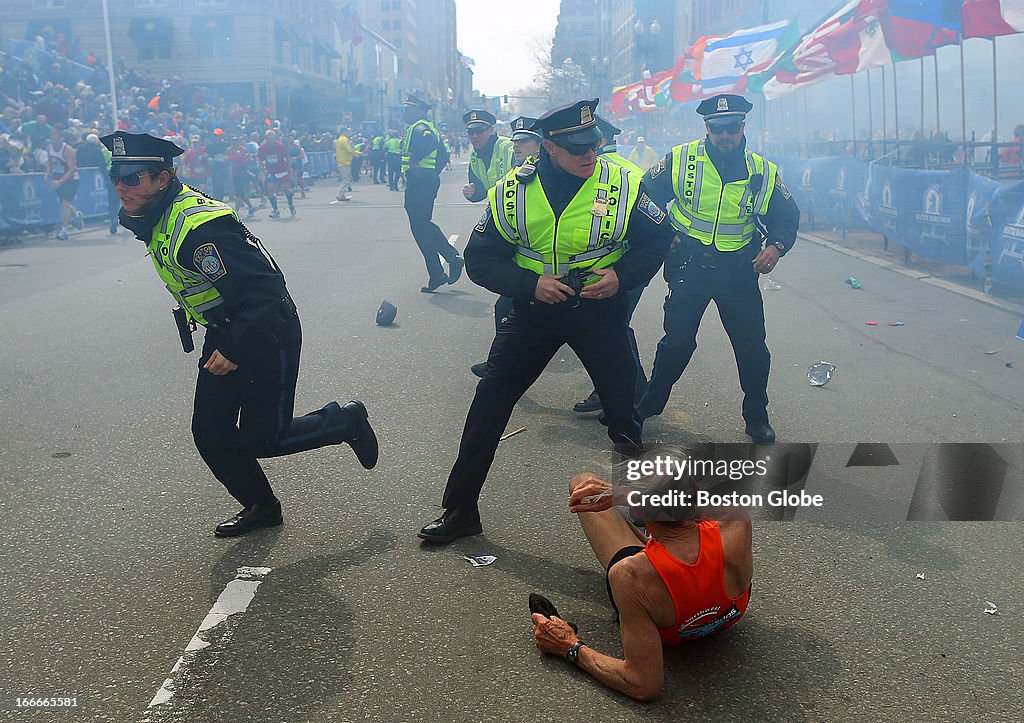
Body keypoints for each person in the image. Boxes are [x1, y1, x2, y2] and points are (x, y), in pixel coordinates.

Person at [417, 99, 674, 543]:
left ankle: (642, 509)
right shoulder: (512, 190)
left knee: (623, 417)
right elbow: (480, 260)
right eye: (577, 148)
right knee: (488, 406)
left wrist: (623, 278)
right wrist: (528, 284)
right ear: (549, 147)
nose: (590, 154)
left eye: (593, 144)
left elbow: (658, 237)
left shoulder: (623, 182)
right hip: (534, 313)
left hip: (599, 312)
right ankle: (460, 510)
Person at [99, 131, 379, 537]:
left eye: (133, 178)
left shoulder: (199, 226)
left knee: (264, 439)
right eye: (116, 178)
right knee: (210, 430)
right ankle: (262, 507)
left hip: (265, 330)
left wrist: (233, 346)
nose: (122, 187)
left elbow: (266, 290)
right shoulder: (157, 211)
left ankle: (344, 422)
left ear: (162, 179)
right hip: (228, 327)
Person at [635, 94, 800, 444]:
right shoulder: (680, 160)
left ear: (742, 127)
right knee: (677, 343)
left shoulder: (762, 171)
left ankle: (756, 416)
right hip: (689, 267)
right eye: (718, 129)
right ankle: (650, 404)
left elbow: (787, 217)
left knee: (752, 347)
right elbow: (645, 194)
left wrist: (776, 247)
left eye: (732, 128)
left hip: (738, 271)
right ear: (707, 128)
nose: (725, 135)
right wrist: (664, 232)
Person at [530, 444, 753, 701]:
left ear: (637, 509)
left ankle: (652, 539)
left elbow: (643, 684)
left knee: (580, 483)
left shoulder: (630, 576)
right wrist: (631, 495)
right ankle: (656, 535)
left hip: (669, 624)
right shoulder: (735, 518)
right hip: (729, 613)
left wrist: (569, 646)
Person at [572, 115, 649, 415]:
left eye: (586, 143)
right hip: (629, 265)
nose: (582, 152)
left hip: (619, 267)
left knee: (612, 328)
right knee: (613, 327)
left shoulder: (610, 174)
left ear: (599, 142)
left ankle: (628, 394)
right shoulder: (632, 169)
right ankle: (625, 390)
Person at [470, 115, 542, 379]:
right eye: (516, 141)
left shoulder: (543, 173)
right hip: (527, 263)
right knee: (507, 309)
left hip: (555, 265)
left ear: (540, 144)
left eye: (525, 141)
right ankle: (500, 366)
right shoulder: (518, 174)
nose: (517, 146)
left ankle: (629, 392)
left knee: (594, 339)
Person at [401, 95, 463, 292]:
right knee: (422, 226)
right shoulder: (423, 127)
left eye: (409, 109)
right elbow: (443, 154)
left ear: (419, 110)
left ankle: (448, 262)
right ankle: (438, 271)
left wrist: (417, 167)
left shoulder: (421, 127)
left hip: (420, 182)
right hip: (422, 180)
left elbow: (429, 144)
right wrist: (429, 173)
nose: (405, 112)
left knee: (420, 226)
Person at [462, 109, 514, 203]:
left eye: (479, 131)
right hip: (498, 206)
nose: (475, 136)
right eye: (470, 132)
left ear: (491, 131)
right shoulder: (474, 156)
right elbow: (481, 190)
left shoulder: (510, 148)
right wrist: (472, 192)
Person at [47, 128, 82, 241]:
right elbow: (49, 161)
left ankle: (64, 230)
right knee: (63, 203)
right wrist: (48, 172)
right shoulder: (49, 148)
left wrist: (61, 181)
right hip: (58, 177)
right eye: (52, 139)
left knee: (66, 203)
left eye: (56, 139)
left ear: (61, 139)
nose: (54, 141)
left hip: (71, 179)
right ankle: (76, 216)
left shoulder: (68, 150)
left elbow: (71, 169)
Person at [227, 135, 256, 219]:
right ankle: (251, 207)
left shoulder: (243, 149)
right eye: (233, 141)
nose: (235, 142)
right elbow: (227, 159)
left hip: (242, 172)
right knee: (241, 193)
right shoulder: (229, 150)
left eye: (236, 140)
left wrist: (243, 163)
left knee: (238, 192)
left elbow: (248, 159)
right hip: (234, 173)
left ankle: (236, 211)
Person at [334, 127, 354, 202]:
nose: (349, 133)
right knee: (346, 179)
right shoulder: (344, 139)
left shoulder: (341, 139)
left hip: (343, 161)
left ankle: (341, 194)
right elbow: (349, 150)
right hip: (344, 162)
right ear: (344, 132)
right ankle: (340, 195)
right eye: (348, 131)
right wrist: (356, 153)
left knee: (346, 178)